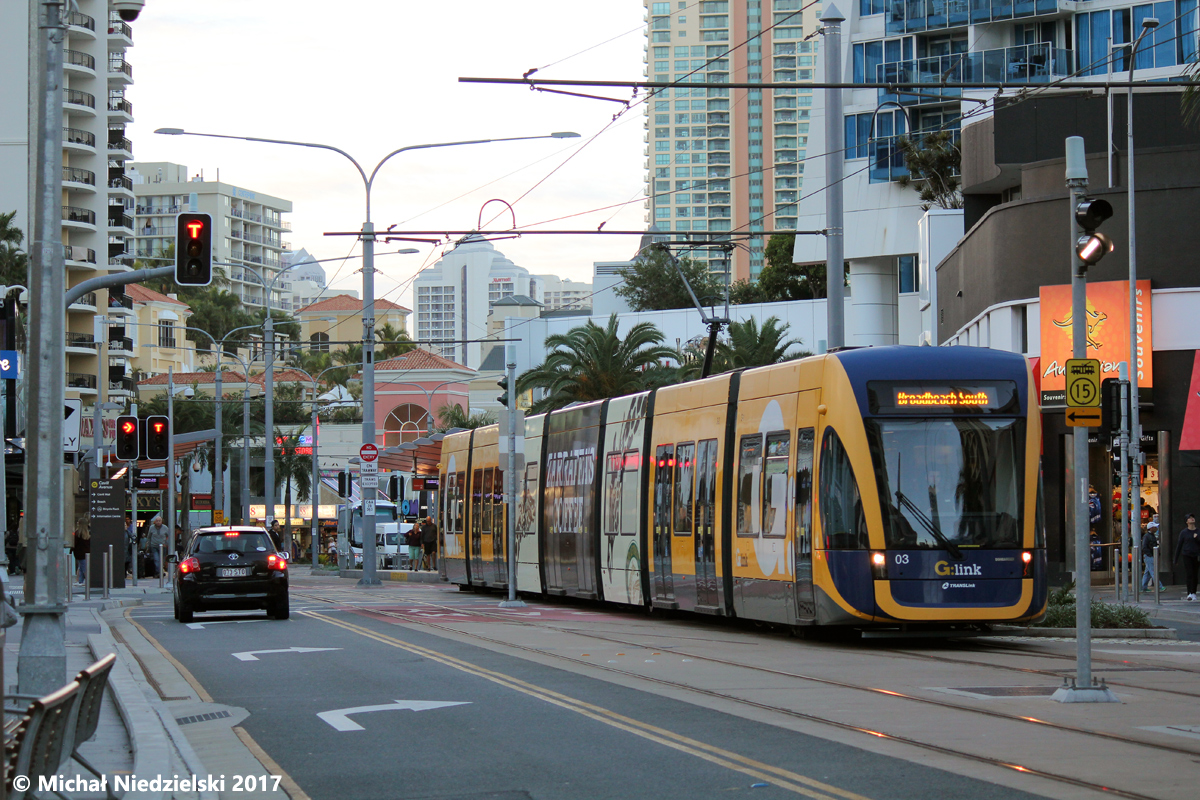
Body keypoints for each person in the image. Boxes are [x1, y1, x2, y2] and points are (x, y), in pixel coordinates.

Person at [1174, 513, 1200, 601]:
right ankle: (1189, 593)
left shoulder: (1198, 531)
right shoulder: (1184, 533)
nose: (1192, 519)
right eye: (1190, 518)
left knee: (1195, 574)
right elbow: (1179, 545)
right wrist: (1176, 559)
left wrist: (1197, 539)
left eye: (1193, 517)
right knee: (1189, 574)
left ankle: (1194, 592)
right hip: (1187, 555)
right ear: (1186, 521)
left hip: (1196, 555)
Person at [1141, 515, 1165, 592]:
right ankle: (1160, 586)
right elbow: (1144, 546)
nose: (1156, 528)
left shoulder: (1151, 536)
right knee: (1153, 571)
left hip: (1150, 555)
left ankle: (1143, 587)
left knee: (1147, 572)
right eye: (1155, 527)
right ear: (1151, 528)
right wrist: (1150, 554)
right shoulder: (1147, 536)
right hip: (1149, 556)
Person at [72, 515, 90, 585]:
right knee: (82, 566)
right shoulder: (88, 533)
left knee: (83, 567)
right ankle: (80, 581)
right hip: (87, 553)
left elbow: (74, 544)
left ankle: (87, 581)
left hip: (79, 553)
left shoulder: (77, 533)